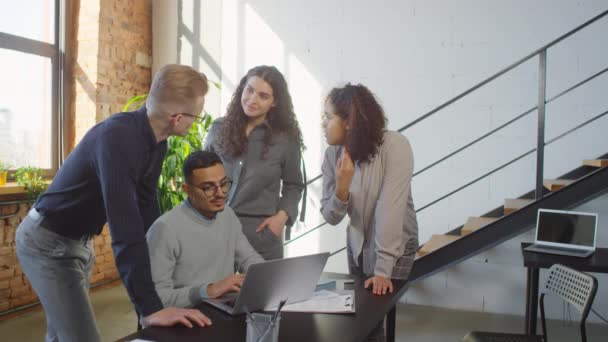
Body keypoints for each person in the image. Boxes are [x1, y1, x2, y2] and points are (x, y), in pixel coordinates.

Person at [15, 64, 212, 342]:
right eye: (196, 116)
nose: (195, 123)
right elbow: (125, 227)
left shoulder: (158, 143)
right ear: (177, 118)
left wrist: (168, 264)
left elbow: (147, 210)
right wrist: (151, 308)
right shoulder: (117, 139)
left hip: (77, 243)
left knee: (62, 335)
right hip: (46, 244)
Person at [320, 83, 419, 342]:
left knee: (374, 314)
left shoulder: (395, 145)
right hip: (357, 244)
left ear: (349, 122)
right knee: (360, 317)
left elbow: (390, 209)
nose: (323, 124)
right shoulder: (332, 156)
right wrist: (342, 186)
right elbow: (331, 217)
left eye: (328, 117)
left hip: (396, 245)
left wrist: (383, 270)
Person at [205, 65, 305, 260]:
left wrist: (281, 218)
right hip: (215, 229)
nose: (252, 100)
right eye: (249, 90)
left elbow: (294, 185)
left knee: (264, 292)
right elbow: (199, 175)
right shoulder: (218, 129)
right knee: (217, 289)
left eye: (263, 96)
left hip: (261, 235)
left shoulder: (285, 140)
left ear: (274, 102)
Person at [146, 151, 265, 308]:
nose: (220, 193)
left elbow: (248, 259)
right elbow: (153, 300)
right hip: (184, 320)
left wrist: (269, 276)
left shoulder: (227, 215)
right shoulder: (164, 229)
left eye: (223, 184)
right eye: (208, 188)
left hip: (223, 311)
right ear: (187, 189)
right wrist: (207, 290)